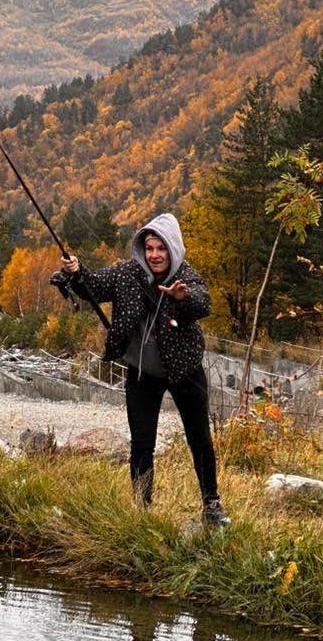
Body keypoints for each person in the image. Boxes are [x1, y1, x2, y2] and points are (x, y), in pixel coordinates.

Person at [60, 213, 230, 529]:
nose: (154, 255)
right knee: (141, 442)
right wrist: (76, 272)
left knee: (199, 439)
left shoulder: (186, 276)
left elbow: (202, 303)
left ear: (173, 248)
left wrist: (182, 297)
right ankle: (141, 509)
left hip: (184, 369)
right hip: (142, 372)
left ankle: (212, 504)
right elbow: (92, 287)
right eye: (149, 248)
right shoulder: (127, 273)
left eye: (161, 248)